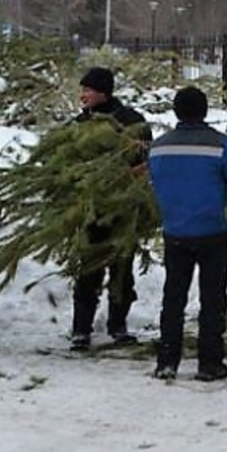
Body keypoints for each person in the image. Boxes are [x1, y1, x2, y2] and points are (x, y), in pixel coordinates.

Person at [148, 86, 227, 382]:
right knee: (212, 300)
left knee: (173, 298)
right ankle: (210, 364)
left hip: (175, 231)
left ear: (176, 111)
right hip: (212, 232)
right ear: (204, 112)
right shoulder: (220, 146)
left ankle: (167, 361)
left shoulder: (159, 147)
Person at [68, 66, 152, 351]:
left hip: (125, 208)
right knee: (89, 268)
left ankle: (118, 324)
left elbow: (145, 154)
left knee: (122, 269)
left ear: (103, 91)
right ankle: (81, 329)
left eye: (87, 90)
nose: (82, 96)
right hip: (93, 210)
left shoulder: (130, 121)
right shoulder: (82, 124)